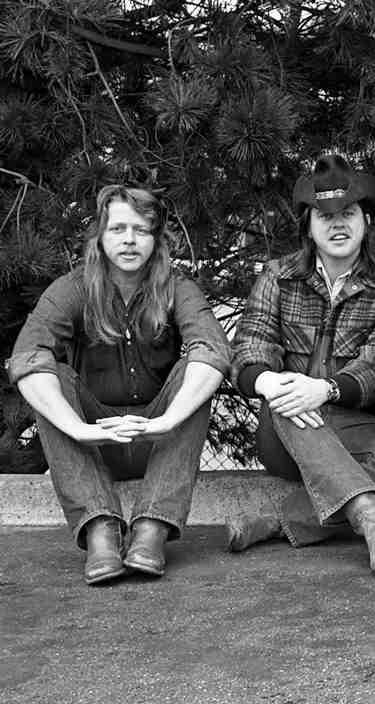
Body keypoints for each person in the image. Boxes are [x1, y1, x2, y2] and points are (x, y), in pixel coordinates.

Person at [7, 185, 230, 584]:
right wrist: (80, 429)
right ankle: (100, 531)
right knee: (49, 375)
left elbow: (212, 350)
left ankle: (151, 529)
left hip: (161, 439)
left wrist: (168, 420)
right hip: (94, 443)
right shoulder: (72, 289)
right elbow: (27, 356)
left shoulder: (179, 288)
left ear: (156, 239)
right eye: (118, 229)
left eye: (141, 230)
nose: (129, 240)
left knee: (194, 372)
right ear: (100, 236)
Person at [225, 154, 375, 576]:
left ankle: (280, 520)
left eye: (348, 213)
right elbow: (251, 341)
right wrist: (268, 382)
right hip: (284, 424)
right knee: (289, 398)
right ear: (308, 226)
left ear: (365, 220)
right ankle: (371, 517)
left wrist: (328, 390)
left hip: (351, 419)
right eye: (324, 215)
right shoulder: (278, 276)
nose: (338, 224)